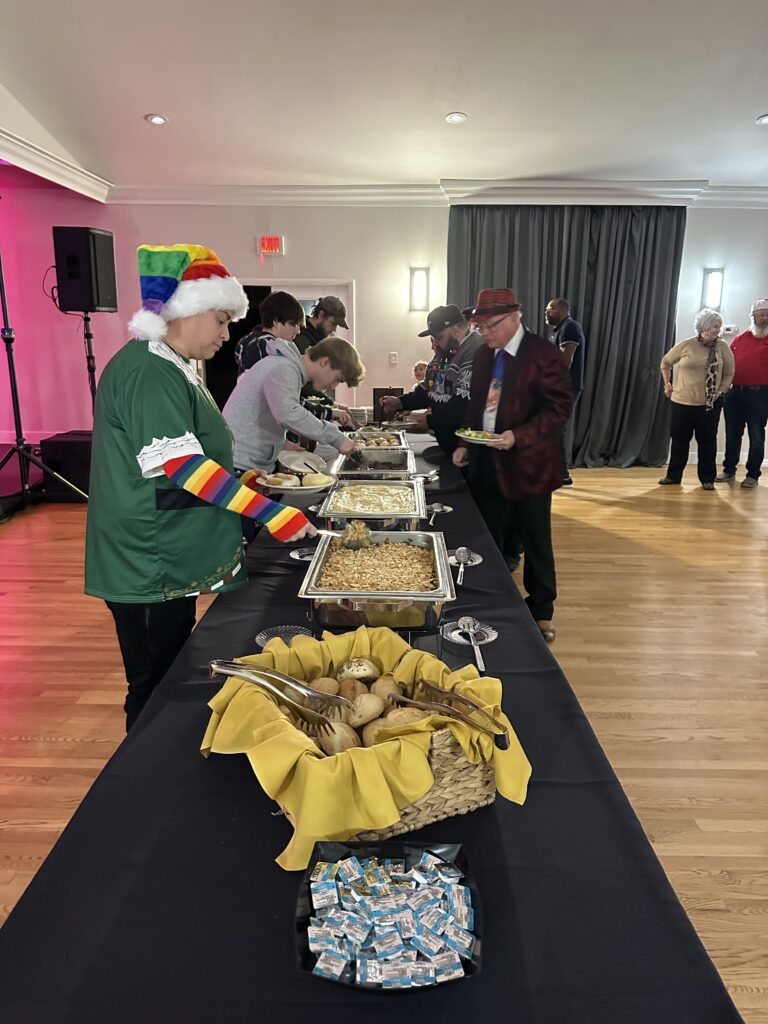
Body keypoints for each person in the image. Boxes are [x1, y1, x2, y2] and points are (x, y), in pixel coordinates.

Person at [85, 244, 316, 731]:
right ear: (186, 311)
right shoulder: (148, 370)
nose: (226, 334)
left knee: (169, 669)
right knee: (153, 683)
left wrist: (243, 481)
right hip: (148, 559)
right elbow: (185, 467)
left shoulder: (170, 364)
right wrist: (270, 513)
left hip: (165, 550)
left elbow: (191, 456)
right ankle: (144, 767)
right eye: (221, 320)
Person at [452, 288, 572, 643]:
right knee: (488, 537)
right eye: (480, 327)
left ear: (514, 317)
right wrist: (465, 443)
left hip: (530, 463)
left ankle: (542, 611)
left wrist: (518, 435)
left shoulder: (543, 354)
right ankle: (491, 601)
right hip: (488, 458)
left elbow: (558, 409)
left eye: (491, 326)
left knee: (535, 539)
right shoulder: (485, 355)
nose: (485, 333)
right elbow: (477, 405)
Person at [223, 335, 364, 473]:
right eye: (337, 379)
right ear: (325, 362)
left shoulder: (286, 366)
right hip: (240, 463)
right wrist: (337, 438)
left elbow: (263, 413)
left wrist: (281, 444)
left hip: (246, 460)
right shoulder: (285, 368)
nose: (333, 386)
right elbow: (288, 414)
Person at [233, 291, 353, 428]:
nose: (297, 331)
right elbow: (285, 405)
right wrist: (329, 413)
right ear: (275, 322)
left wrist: (329, 412)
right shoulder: (267, 350)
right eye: (294, 324)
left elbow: (288, 400)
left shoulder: (263, 347)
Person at [380, 305, 484, 455]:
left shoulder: (475, 350)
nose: (435, 344)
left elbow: (464, 403)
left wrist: (431, 421)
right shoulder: (445, 351)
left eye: (439, 337)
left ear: (456, 331)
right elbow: (430, 390)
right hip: (448, 445)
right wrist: (400, 402)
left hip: (468, 448)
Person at [658, 309, 734, 490]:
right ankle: (673, 476)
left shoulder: (722, 346)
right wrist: (667, 384)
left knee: (707, 442)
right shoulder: (687, 345)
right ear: (703, 326)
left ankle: (707, 479)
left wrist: (722, 390)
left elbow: (729, 372)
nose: (717, 329)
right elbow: (665, 362)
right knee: (679, 441)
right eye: (714, 326)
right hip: (682, 402)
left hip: (709, 404)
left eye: (719, 326)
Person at [716, 298, 768, 489]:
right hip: (735, 393)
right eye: (760, 314)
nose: (764, 318)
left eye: (767, 314)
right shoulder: (740, 338)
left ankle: (753, 475)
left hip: (760, 395)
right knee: (732, 434)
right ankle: (729, 470)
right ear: (753, 316)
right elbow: (728, 364)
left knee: (756, 436)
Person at [545, 298, 585, 486]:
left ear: (563, 309)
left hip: (564, 389)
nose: (546, 312)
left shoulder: (570, 327)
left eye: (550, 308)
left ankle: (562, 475)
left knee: (555, 428)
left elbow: (565, 361)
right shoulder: (559, 329)